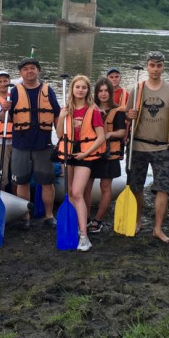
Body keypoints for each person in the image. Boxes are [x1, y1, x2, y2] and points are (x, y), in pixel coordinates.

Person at [125, 51, 169, 243]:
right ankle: (137, 220)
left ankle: (157, 228)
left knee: (162, 189)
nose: (155, 69)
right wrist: (129, 115)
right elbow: (126, 118)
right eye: (152, 65)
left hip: (162, 148)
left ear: (163, 67)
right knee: (136, 187)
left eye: (159, 65)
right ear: (147, 66)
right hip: (138, 146)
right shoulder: (137, 89)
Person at [7, 57, 61, 229]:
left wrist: (61, 136)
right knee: (21, 182)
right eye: (25, 69)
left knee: (46, 182)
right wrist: (4, 109)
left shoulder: (47, 90)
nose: (29, 71)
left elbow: (57, 114)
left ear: (38, 70)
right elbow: (4, 119)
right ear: (20, 73)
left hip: (43, 144)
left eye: (32, 68)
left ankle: (49, 215)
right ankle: (25, 215)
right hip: (21, 144)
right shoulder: (14, 92)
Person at [56, 75, 106, 251]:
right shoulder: (66, 109)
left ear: (87, 90)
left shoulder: (94, 110)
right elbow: (60, 134)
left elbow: (100, 137)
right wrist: (61, 117)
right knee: (69, 192)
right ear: (72, 89)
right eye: (77, 87)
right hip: (68, 154)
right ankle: (75, 226)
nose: (80, 90)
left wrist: (86, 153)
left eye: (84, 87)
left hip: (85, 156)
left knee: (77, 192)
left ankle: (84, 236)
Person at [87, 77, 126, 234]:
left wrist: (108, 134)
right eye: (100, 91)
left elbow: (122, 131)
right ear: (96, 93)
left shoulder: (118, 111)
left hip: (109, 153)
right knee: (86, 187)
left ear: (111, 93)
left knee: (105, 186)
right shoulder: (90, 108)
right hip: (91, 153)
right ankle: (86, 218)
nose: (103, 94)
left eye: (106, 91)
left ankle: (98, 219)